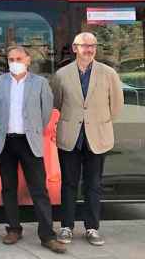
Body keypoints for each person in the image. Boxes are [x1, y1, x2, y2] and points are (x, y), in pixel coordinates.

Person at [0, 46, 65, 253]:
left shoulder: (40, 83)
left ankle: (47, 235)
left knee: (39, 190)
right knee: (9, 188)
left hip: (30, 142)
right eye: (11, 58)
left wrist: (32, 130)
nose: (14, 62)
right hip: (6, 142)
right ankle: (13, 229)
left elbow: (45, 113)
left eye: (18, 58)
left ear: (28, 60)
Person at [51, 32, 124, 246]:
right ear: (75, 48)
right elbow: (56, 104)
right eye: (85, 45)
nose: (89, 49)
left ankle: (92, 228)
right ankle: (66, 227)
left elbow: (116, 105)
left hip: (98, 138)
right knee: (69, 184)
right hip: (70, 138)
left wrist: (98, 121)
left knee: (93, 185)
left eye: (93, 45)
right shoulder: (62, 75)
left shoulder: (108, 73)